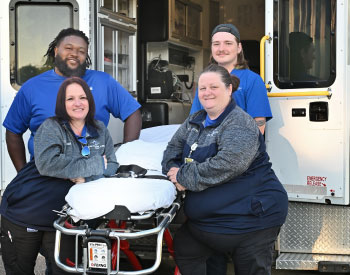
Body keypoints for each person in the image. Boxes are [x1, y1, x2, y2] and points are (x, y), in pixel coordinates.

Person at [162, 64, 288, 275]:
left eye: (214, 86)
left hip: (250, 220)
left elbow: (229, 163)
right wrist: (174, 170)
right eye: (202, 88)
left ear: (229, 89)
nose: (207, 92)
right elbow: (171, 150)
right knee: (186, 248)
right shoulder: (194, 120)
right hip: (209, 222)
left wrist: (184, 176)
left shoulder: (240, 123)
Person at [0, 77, 119, 275]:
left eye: (82, 97)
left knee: (63, 271)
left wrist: (85, 178)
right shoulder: (51, 127)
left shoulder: (99, 130)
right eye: (70, 98)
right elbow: (48, 165)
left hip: (62, 216)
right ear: (62, 104)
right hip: (26, 209)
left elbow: (112, 165)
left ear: (90, 101)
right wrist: (96, 164)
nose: (78, 103)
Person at [3, 27, 141, 173]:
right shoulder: (32, 87)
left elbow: (133, 112)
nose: (74, 54)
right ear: (56, 51)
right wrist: (22, 173)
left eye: (81, 51)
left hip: (93, 171)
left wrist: (126, 152)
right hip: (45, 172)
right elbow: (13, 131)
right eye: (68, 48)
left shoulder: (103, 81)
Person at [190, 23, 271, 134]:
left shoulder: (253, 80)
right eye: (216, 44)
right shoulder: (204, 81)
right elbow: (194, 121)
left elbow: (259, 125)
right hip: (207, 147)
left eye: (228, 43)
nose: (221, 49)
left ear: (238, 48)